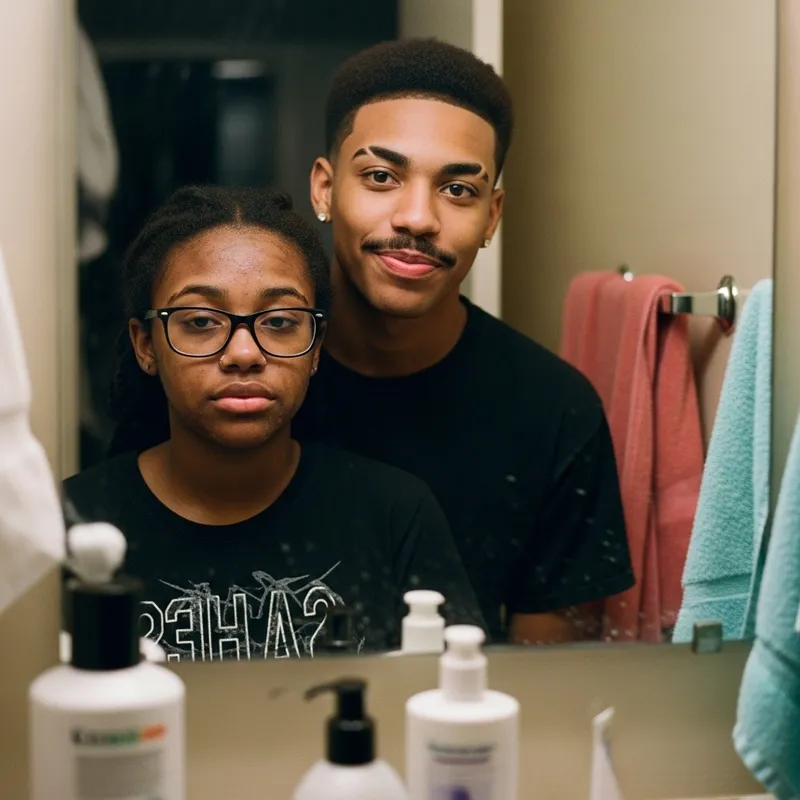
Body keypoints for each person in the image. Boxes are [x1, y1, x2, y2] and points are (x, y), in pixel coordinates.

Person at [295, 38, 635, 645]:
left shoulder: (554, 410)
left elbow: (551, 680)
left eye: (458, 190)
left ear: (492, 216)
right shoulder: (235, 376)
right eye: (380, 176)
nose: (418, 218)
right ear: (324, 189)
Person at [64, 185, 485, 662]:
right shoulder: (70, 526)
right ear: (145, 345)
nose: (244, 354)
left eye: (280, 321)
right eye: (200, 321)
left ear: (316, 345)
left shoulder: (394, 515)